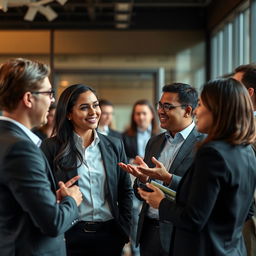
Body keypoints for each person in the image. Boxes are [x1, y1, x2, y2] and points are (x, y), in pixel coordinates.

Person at [138, 78, 256, 256]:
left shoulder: (212, 152)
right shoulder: (246, 150)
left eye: (200, 105)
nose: (197, 112)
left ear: (218, 110)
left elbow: (194, 218)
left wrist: (160, 202)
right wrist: (167, 178)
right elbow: (245, 210)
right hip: (231, 249)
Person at [0, 58, 83, 256]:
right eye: (48, 93)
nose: (52, 100)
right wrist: (72, 200)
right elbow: (52, 223)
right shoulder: (20, 148)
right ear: (29, 99)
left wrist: (46, 199)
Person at [40, 84, 133, 256]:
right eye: (84, 107)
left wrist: (124, 229)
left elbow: (125, 190)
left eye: (95, 105)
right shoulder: (51, 147)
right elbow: (43, 193)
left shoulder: (114, 144)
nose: (93, 112)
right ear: (68, 114)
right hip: (70, 235)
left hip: (110, 235)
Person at [119, 83, 203, 256]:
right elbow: (141, 193)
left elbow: (200, 192)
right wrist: (142, 181)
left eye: (168, 107)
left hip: (181, 234)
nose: (160, 111)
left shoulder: (203, 144)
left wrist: (168, 178)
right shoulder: (154, 142)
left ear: (187, 111)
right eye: (160, 105)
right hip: (149, 232)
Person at [122, 99, 159, 256]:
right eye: (138, 113)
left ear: (151, 115)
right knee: (135, 217)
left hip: (156, 183)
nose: (141, 117)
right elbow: (123, 158)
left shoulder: (160, 136)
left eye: (144, 113)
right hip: (134, 181)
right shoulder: (125, 135)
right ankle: (136, 250)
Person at [233, 64, 256, 256]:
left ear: (249, 93)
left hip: (249, 219)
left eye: (235, 87)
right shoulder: (241, 125)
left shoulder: (247, 129)